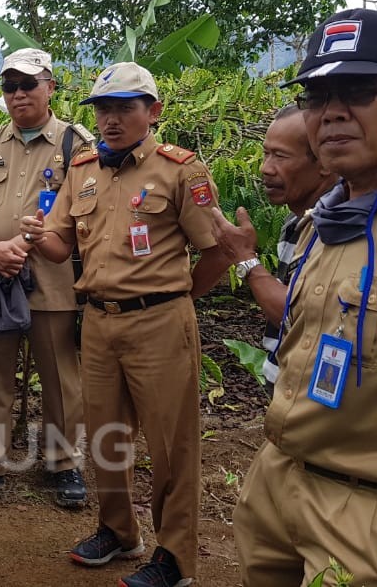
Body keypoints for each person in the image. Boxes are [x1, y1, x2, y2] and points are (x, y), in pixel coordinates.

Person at [232, 8, 377, 586]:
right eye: (316, 95)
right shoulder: (326, 218)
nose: (331, 111)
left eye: (357, 90)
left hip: (373, 513)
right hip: (279, 486)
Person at [21, 62, 231, 587]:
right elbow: (59, 246)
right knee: (107, 436)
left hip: (160, 323)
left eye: (125, 108)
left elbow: (217, 252)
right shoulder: (83, 169)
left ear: (152, 112)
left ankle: (175, 558)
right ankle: (117, 531)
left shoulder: (181, 170)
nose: (112, 120)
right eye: (104, 110)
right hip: (98, 322)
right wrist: (34, 236)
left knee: (171, 444)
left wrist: (176, 298)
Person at [0, 48, 91, 511]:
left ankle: (63, 462)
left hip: (51, 279)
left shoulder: (77, 144)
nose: (18, 94)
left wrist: (34, 242)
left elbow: (87, 213)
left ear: (50, 86)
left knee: (59, 375)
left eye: (28, 84)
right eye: (10, 86)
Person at [209, 104, 339, 393]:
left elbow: (295, 315)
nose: (265, 168)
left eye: (280, 156)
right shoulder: (296, 221)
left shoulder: (336, 225)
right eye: (266, 153)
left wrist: (245, 260)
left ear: (324, 163)